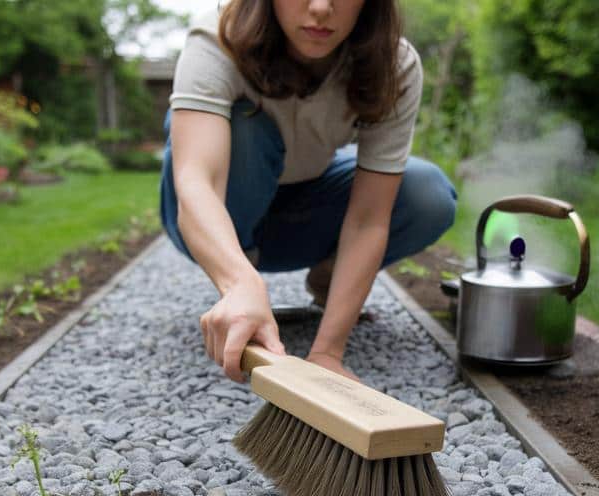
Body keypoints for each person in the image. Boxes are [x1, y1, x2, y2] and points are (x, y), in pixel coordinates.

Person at [159, 0, 458, 383]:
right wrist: (240, 283)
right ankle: (237, 282)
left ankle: (327, 280)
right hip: (216, 215)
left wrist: (327, 353)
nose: (320, 8)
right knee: (247, 126)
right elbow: (197, 181)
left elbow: (368, 220)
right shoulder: (218, 37)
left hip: (302, 214)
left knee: (427, 193)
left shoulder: (394, 65)